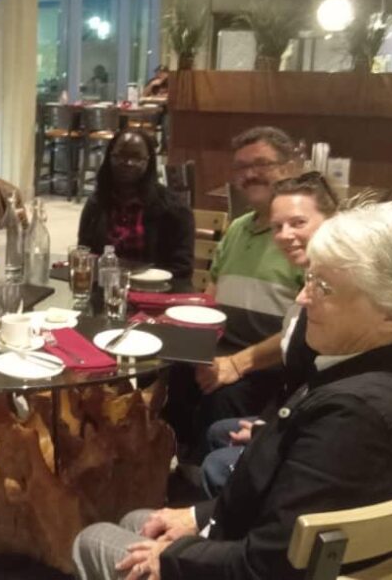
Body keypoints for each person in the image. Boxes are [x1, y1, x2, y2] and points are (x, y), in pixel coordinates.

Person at [73, 201, 392, 580]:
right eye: (309, 278)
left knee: (92, 539)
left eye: (323, 286)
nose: (302, 298)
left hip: (269, 565)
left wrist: (173, 559)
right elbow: (289, 520)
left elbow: (266, 566)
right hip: (281, 547)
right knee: (137, 520)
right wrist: (198, 517)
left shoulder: (353, 418)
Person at [163, 126, 304, 461]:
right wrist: (194, 346)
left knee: (222, 396)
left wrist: (236, 364)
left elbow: (302, 333)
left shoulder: (300, 239)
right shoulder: (239, 228)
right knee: (170, 373)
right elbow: (212, 295)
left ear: (289, 168)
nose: (250, 174)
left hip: (272, 363)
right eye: (241, 167)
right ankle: (172, 458)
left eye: (262, 164)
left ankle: (205, 484)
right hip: (225, 346)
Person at [196, 172, 338, 496]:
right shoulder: (315, 277)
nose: (285, 235)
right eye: (277, 227)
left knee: (218, 457)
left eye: (298, 223)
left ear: (332, 221)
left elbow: (326, 383)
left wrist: (277, 431)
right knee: (217, 426)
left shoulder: (340, 293)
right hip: (302, 407)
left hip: (321, 433)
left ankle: (217, 525)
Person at [77, 129, 194, 289]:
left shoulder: (173, 209)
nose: (128, 163)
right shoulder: (96, 204)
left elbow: (181, 271)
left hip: (154, 293)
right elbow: (84, 253)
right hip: (103, 291)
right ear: (109, 158)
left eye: (137, 157)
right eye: (120, 156)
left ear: (149, 161)